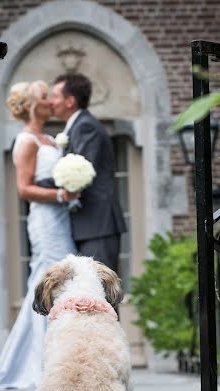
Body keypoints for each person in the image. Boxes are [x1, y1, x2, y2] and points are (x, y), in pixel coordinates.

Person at [0, 80, 77, 390]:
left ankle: (60, 353)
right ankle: (41, 361)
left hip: (62, 219)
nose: (50, 103)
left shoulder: (49, 138)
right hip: (46, 221)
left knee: (65, 280)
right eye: (45, 98)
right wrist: (62, 196)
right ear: (33, 105)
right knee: (48, 281)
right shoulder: (26, 141)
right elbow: (24, 188)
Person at [50, 73, 127, 273]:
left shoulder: (85, 126)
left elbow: (81, 173)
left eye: (55, 96)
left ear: (70, 101)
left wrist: (35, 184)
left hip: (98, 225)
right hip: (88, 226)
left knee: (98, 295)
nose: (51, 102)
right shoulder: (77, 125)